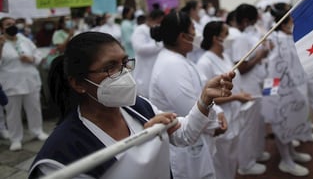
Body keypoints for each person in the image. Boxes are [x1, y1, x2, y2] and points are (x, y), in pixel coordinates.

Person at [29, 31, 235, 178]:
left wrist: (205, 99)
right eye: (110, 67)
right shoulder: (60, 158)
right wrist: (147, 144)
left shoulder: (138, 107)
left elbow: (184, 135)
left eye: (124, 63)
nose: (124, 74)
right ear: (78, 83)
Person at [149, 11, 228, 179]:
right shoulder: (170, 65)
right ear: (182, 36)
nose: (196, 34)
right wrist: (216, 125)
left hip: (196, 137)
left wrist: (219, 111)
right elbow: (189, 107)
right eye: (193, 28)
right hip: (183, 146)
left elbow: (204, 88)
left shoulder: (180, 59)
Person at [197, 21, 253, 179]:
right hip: (221, 118)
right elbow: (206, 96)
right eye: (226, 34)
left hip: (234, 114)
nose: (230, 38)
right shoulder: (204, 62)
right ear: (216, 38)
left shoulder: (225, 56)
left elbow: (233, 84)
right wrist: (236, 97)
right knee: (221, 165)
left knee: (231, 161)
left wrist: (240, 94)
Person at [265, 10, 313, 176]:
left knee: (293, 121)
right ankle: (285, 160)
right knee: (281, 122)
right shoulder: (273, 39)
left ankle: (291, 152)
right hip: (278, 89)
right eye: (290, 22)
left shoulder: (289, 38)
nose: (292, 25)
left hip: (294, 87)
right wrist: (270, 95)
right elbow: (272, 69)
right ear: (283, 24)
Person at [231, 4, 271, 176]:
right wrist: (260, 56)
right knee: (248, 127)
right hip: (248, 88)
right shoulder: (241, 39)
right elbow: (241, 67)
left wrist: (266, 51)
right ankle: (246, 164)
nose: (259, 20)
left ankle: (257, 153)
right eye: (256, 18)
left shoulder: (253, 34)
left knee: (259, 124)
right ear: (247, 20)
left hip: (259, 83)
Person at [0, 17, 49, 151]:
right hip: (11, 83)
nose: (12, 26)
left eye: (14, 23)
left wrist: (32, 58)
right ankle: (15, 139)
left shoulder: (24, 39)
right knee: (13, 113)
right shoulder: (1, 42)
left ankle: (37, 131)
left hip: (30, 80)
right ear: (2, 28)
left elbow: (37, 54)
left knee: (34, 108)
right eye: (8, 24)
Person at [131, 8, 165, 98]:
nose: (159, 24)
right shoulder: (140, 30)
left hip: (154, 67)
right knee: (145, 95)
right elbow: (139, 48)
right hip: (144, 70)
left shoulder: (157, 30)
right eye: (158, 21)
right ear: (150, 19)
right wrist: (161, 45)